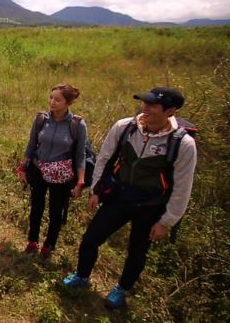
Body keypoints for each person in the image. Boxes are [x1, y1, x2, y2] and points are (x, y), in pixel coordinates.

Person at [63, 87, 197, 310]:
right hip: (119, 197)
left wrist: (166, 221)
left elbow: (183, 186)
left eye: (152, 105)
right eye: (144, 103)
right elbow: (105, 158)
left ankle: (122, 288)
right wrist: (96, 190)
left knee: (137, 250)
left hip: (151, 205)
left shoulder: (182, 144)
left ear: (170, 111)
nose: (145, 108)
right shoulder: (125, 127)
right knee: (90, 239)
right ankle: (82, 275)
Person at [17, 84, 87, 259]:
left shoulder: (76, 124)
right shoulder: (41, 119)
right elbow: (31, 144)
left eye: (58, 99)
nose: (52, 102)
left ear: (68, 102)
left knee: (56, 210)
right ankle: (32, 241)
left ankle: (49, 245)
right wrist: (23, 168)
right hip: (38, 169)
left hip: (61, 175)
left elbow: (81, 154)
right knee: (36, 207)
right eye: (51, 98)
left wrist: (80, 182)